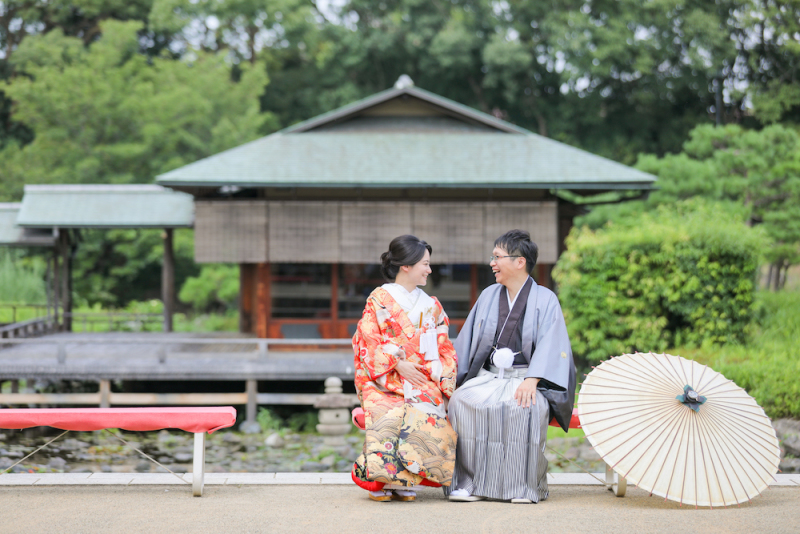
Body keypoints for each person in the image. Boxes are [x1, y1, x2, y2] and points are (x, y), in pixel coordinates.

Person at [446, 229, 576, 503]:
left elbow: (553, 344)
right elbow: (468, 340)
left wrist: (533, 379)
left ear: (520, 262)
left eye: (497, 257)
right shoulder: (489, 295)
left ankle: (523, 488)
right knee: (461, 401)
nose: (492, 263)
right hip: (489, 377)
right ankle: (470, 485)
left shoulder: (546, 299)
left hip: (526, 379)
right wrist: (448, 377)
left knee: (524, 408)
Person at [351, 235, 459, 502]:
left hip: (421, 376)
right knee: (388, 409)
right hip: (384, 378)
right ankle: (385, 482)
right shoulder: (379, 298)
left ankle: (407, 479)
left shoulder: (432, 305)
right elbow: (366, 339)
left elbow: (443, 347)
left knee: (430, 404)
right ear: (406, 265)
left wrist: (434, 374)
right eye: (425, 263)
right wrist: (397, 363)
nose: (429, 269)